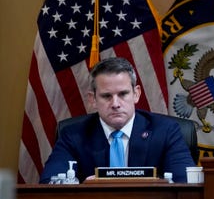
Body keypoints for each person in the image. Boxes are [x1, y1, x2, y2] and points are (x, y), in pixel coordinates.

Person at [40, 57, 195, 183]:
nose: (115, 104)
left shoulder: (166, 131)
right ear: (92, 99)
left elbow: (185, 185)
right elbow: (49, 185)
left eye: (123, 94)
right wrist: (85, 189)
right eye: (107, 96)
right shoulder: (73, 135)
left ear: (136, 94)